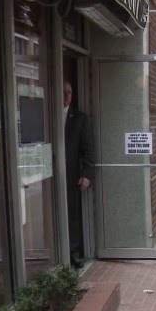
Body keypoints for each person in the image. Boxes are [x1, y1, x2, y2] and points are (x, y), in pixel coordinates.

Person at [64, 80, 95, 269]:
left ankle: (73, 255)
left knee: (72, 216)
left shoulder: (80, 118)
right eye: (63, 92)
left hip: (71, 176)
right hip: (50, 176)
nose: (67, 96)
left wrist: (87, 174)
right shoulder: (47, 114)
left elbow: (87, 149)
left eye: (69, 92)